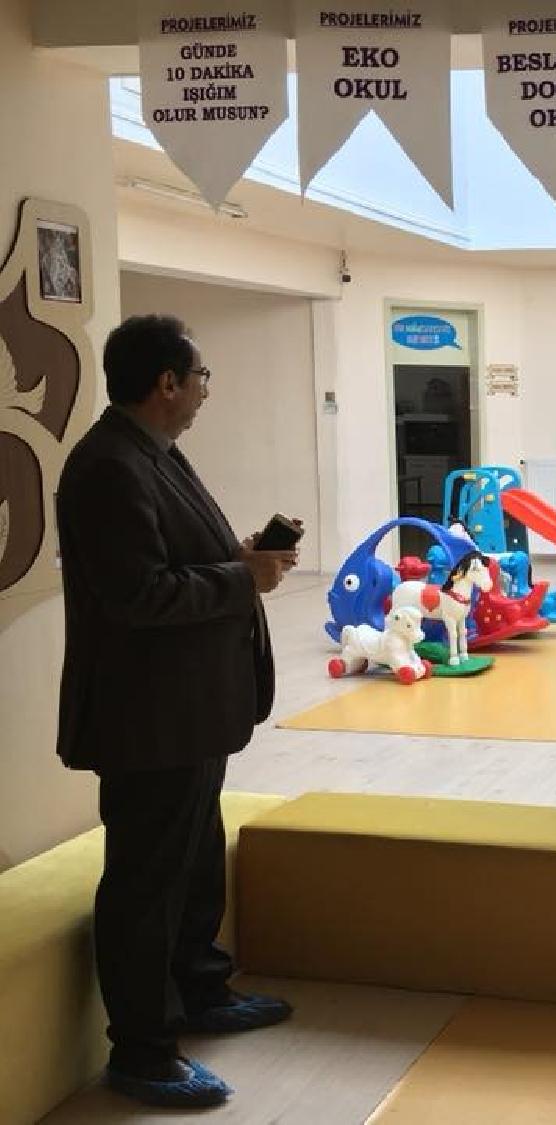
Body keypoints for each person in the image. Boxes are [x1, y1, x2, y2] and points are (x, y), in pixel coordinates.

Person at [55, 315, 298, 1108]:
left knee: (193, 861)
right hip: (148, 720)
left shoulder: (155, 453)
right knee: (146, 883)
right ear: (167, 383)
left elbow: (177, 557)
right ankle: (144, 1050)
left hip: (190, 710)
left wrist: (242, 554)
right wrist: (242, 578)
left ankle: (200, 988)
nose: (204, 392)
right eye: (200, 377)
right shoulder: (107, 467)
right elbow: (138, 595)